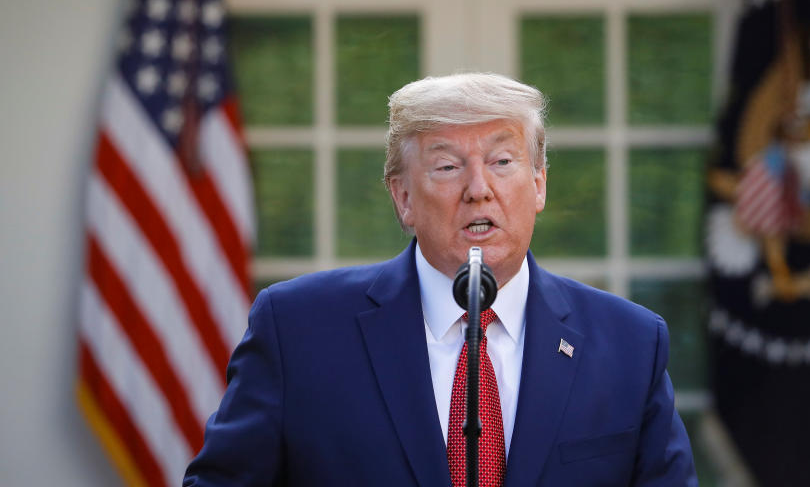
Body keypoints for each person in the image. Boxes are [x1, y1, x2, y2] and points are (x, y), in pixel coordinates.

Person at [184, 73, 697, 486]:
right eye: (448, 166)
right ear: (403, 197)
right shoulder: (298, 330)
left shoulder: (630, 343)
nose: (479, 189)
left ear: (538, 183)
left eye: (502, 160)